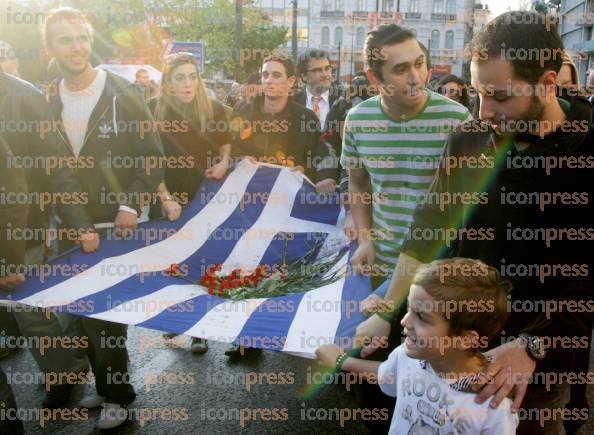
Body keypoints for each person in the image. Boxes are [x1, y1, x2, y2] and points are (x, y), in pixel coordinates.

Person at [355, 11, 594, 435]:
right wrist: (388, 310)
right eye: (478, 94)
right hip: (451, 348)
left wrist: (532, 345)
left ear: (548, 83)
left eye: (500, 96)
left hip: (534, 372)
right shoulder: (468, 138)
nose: (484, 111)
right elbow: (430, 227)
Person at [43, 7, 164, 429]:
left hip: (117, 225)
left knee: (107, 315)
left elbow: (152, 158)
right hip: (73, 225)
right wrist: (75, 222)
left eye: (81, 38)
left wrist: (130, 206)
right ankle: (103, 383)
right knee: (78, 312)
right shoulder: (48, 97)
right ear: (51, 47)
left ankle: (118, 395)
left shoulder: (123, 92)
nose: (75, 47)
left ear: (89, 40)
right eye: (64, 40)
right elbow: (53, 167)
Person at [317, 258, 519, 434]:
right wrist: (341, 361)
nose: (404, 321)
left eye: (421, 317)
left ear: (465, 339)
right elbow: (386, 373)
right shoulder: (407, 355)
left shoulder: (494, 407)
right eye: (409, 309)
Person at [0, 65, 100, 409]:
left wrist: (60, 220)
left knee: (27, 308)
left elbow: (53, 166)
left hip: (19, 225)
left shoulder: (24, 96)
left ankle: (64, 371)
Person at [149, 51, 233, 353]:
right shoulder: (152, 110)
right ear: (168, 83)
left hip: (204, 196)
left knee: (201, 262)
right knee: (170, 263)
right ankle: (174, 320)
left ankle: (200, 329)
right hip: (167, 198)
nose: (187, 84)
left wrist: (224, 162)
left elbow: (228, 139)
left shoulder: (212, 109)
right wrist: (165, 197)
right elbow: (147, 160)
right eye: (180, 78)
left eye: (192, 77)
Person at [230, 55, 338, 193]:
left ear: (291, 81)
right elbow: (226, 148)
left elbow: (321, 156)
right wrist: (240, 160)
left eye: (276, 75)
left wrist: (307, 170)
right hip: (246, 196)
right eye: (265, 75)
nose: (269, 80)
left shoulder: (307, 119)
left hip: (289, 199)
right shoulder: (242, 112)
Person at [293, 49, 339, 130]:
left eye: (327, 68)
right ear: (304, 76)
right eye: (318, 70)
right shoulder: (293, 102)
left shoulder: (343, 101)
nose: (325, 74)